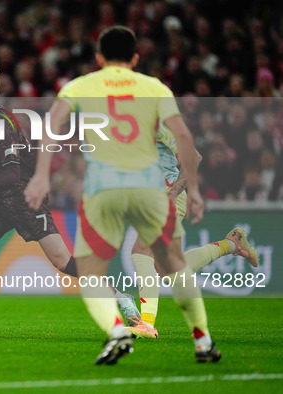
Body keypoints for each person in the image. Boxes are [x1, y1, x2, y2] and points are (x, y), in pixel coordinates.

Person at [24, 26, 221, 365]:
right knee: (171, 263)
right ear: (135, 58)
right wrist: (194, 191)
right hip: (147, 191)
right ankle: (201, 340)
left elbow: (51, 129)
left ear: (99, 57)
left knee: (94, 268)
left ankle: (123, 331)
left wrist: (42, 175)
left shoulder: (80, 86)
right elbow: (189, 145)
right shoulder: (155, 89)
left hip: (110, 188)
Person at [0, 66, 78, 328]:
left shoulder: (2, 122)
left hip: (24, 199)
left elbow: (13, 173)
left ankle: (120, 297)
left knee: (62, 261)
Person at [116, 122, 259, 339]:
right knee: (167, 273)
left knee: (140, 252)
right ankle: (230, 244)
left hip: (167, 197)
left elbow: (194, 157)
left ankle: (147, 324)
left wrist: (172, 195)